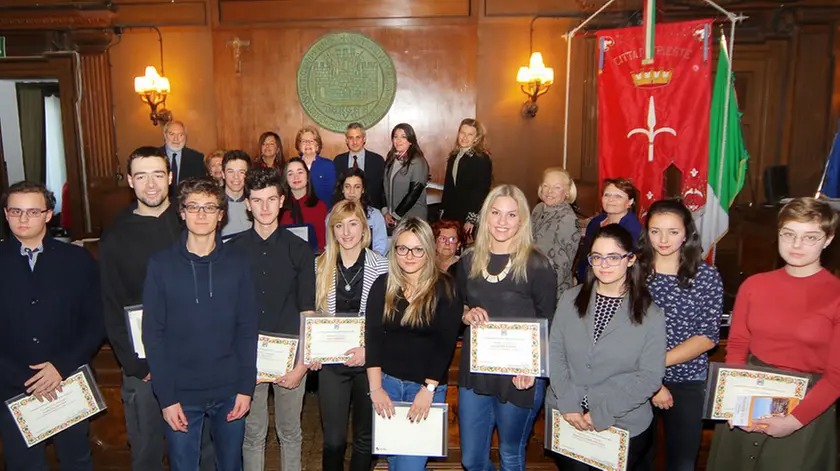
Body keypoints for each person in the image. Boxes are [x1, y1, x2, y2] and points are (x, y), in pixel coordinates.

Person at [102, 146, 217, 471]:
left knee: (203, 450)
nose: (150, 185)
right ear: (130, 181)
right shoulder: (115, 236)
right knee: (147, 451)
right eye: (141, 176)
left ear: (170, 177)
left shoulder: (192, 224)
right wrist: (137, 364)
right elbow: (111, 304)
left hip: (196, 361)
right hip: (143, 366)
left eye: (157, 175)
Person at [707, 197, 840, 471]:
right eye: (788, 234)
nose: (796, 245)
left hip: (808, 407)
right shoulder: (754, 285)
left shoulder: (836, 294)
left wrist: (794, 421)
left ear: (828, 239)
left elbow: (836, 376)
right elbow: (738, 346)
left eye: (810, 237)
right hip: (749, 394)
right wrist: (733, 399)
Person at [142, 177, 258, 471]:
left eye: (210, 207)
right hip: (181, 393)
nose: (202, 214)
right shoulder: (160, 265)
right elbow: (153, 335)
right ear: (182, 212)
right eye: (194, 207)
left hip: (229, 389)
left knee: (231, 466)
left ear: (222, 214)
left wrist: (245, 388)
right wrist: (166, 397)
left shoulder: (239, 262)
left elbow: (247, 329)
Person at [0, 181, 104, 471]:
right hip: (11, 387)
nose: (23, 219)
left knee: (76, 462)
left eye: (32, 211)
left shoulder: (77, 260)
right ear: (6, 214)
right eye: (15, 211)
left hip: (67, 381)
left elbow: (96, 322)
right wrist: (24, 377)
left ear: (48, 214)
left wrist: (59, 367)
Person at [548, 224, 666, 471]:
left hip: (621, 420)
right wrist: (568, 404)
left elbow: (650, 377)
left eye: (614, 257)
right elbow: (556, 353)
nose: (604, 264)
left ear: (630, 259)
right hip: (567, 415)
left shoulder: (650, 314)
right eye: (597, 257)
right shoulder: (570, 299)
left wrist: (602, 414)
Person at [458, 184, 558, 471]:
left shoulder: (537, 264)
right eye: (496, 213)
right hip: (476, 370)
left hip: (520, 374)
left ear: (522, 220)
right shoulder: (468, 260)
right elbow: (457, 307)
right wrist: (466, 314)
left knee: (511, 455)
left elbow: (549, 321)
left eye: (511, 215)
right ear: (485, 216)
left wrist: (532, 367)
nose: (502, 222)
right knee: (472, 460)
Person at [228, 168, 315, 471]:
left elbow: (307, 312)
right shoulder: (232, 252)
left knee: (290, 433)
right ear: (247, 205)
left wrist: (302, 365)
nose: (264, 207)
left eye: (270, 199)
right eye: (257, 200)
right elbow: (228, 313)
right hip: (247, 359)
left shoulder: (300, 251)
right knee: (252, 434)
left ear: (281, 202)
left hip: (290, 360)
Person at [366, 217, 463, 471]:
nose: (409, 256)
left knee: (410, 466)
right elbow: (373, 338)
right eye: (402, 248)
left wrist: (427, 390)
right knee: (395, 463)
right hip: (387, 386)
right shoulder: (382, 285)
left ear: (429, 250)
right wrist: (375, 389)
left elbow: (446, 344)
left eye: (417, 249)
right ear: (394, 248)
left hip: (425, 388)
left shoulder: (446, 287)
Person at [636, 199, 723, 471]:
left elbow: (707, 337)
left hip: (686, 378)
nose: (663, 239)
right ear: (646, 232)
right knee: (636, 459)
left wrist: (654, 366)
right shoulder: (632, 272)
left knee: (683, 462)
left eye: (673, 232)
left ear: (686, 233)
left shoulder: (706, 276)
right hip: (632, 376)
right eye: (655, 231)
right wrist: (649, 378)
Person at [312, 200, 388, 471]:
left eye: (353, 224)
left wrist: (369, 350)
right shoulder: (319, 266)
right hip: (332, 366)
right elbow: (313, 316)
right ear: (332, 231)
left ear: (364, 228)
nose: (346, 232)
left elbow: (388, 321)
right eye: (339, 225)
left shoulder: (382, 267)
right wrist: (312, 350)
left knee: (365, 439)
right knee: (333, 441)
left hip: (370, 364)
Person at [576, 178, 642, 282]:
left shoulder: (633, 229)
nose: (610, 199)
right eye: (607, 195)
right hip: (588, 279)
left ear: (630, 202)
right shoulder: (596, 222)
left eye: (618, 196)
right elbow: (586, 255)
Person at [532, 168, 581, 299]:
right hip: (530, 281)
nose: (549, 191)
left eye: (556, 187)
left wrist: (538, 289)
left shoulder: (567, 219)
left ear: (567, 192)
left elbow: (562, 267)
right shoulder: (538, 209)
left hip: (551, 291)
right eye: (545, 185)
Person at [441, 118, 493, 237]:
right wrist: (443, 210)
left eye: (470, 134)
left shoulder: (481, 159)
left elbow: (481, 191)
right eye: (462, 133)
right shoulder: (454, 156)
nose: (465, 137)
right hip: (451, 213)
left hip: (468, 215)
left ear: (476, 138)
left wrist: (471, 219)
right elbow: (448, 187)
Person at [333, 167, 387, 255]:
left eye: (357, 187)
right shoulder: (333, 215)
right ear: (342, 189)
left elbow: (380, 247)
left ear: (363, 190)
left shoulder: (375, 215)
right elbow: (331, 245)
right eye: (347, 187)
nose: (351, 192)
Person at [383, 123, 429, 225]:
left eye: (403, 137)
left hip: (413, 218)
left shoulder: (418, 162)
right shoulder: (391, 159)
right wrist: (385, 211)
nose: (398, 140)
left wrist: (395, 216)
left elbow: (414, 194)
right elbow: (384, 186)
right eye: (395, 137)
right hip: (392, 218)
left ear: (411, 141)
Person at [279, 157, 328, 251]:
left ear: (307, 176)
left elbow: (323, 242)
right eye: (290, 174)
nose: (296, 177)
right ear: (285, 179)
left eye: (300, 172)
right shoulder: (279, 208)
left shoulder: (320, 206)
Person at [333, 122, 386, 209]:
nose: (354, 142)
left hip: (371, 211)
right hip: (345, 210)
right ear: (346, 140)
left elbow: (382, 190)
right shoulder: (338, 161)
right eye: (351, 138)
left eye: (358, 137)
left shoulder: (377, 161)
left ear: (364, 139)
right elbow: (336, 189)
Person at [160, 120, 206, 197]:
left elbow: (200, 187)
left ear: (185, 136)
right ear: (165, 135)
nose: (176, 139)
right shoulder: (154, 156)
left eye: (180, 135)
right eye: (172, 134)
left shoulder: (197, 158)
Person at [295, 126, 336, 208]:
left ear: (317, 146)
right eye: (304, 141)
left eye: (311, 141)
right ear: (299, 146)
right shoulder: (293, 165)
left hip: (322, 211)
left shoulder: (328, 165)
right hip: (298, 211)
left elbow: (331, 194)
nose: (308, 144)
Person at [221, 150, 253, 238]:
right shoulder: (213, 205)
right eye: (230, 171)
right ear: (223, 174)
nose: (236, 177)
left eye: (241, 172)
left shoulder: (255, 204)